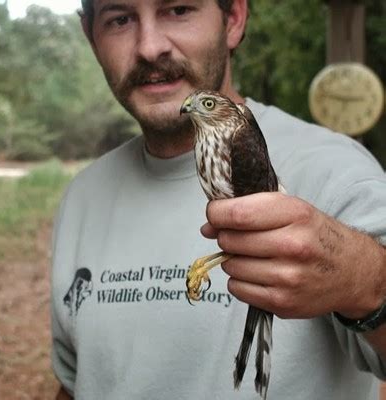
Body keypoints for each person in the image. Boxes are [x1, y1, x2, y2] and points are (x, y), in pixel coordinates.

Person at [50, 0, 386, 399]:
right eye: (119, 19)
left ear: (234, 19)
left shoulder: (336, 171)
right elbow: (78, 383)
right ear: (91, 35)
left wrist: (367, 282)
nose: (149, 47)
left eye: (178, 9)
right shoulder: (82, 197)